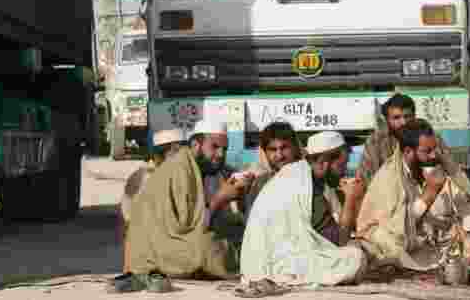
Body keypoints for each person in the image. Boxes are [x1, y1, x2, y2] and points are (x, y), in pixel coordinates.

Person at [112, 120, 251, 293]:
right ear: (196, 145)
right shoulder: (181, 170)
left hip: (170, 241)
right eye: (214, 147)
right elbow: (192, 228)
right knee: (207, 248)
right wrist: (220, 198)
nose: (221, 154)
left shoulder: (197, 168)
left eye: (224, 149)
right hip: (157, 250)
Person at [238, 131, 369, 294]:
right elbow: (339, 240)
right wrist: (351, 199)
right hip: (277, 265)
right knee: (355, 257)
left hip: (258, 263)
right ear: (325, 163)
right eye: (342, 166)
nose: (343, 172)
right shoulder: (308, 188)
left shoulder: (297, 173)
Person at [356, 119, 470, 271]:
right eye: (427, 151)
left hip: (436, 242)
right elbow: (395, 229)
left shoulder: (438, 164)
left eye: (435, 149)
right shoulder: (389, 177)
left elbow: (465, 205)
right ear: (408, 151)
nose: (434, 155)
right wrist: (430, 194)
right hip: (400, 244)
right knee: (384, 241)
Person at [119, 129, 185, 273]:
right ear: (159, 156)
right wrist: (127, 269)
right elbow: (128, 226)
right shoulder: (142, 178)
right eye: (174, 153)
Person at [356, 93, 451, 185]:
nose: (403, 122)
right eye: (396, 118)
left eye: (407, 116)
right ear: (387, 120)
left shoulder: (430, 137)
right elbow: (366, 177)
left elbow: (450, 167)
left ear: (414, 116)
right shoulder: (376, 142)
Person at [241, 121, 301, 213]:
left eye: (284, 148)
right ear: (265, 152)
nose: (280, 155)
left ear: (295, 148)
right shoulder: (260, 183)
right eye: (273, 149)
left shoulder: (309, 177)